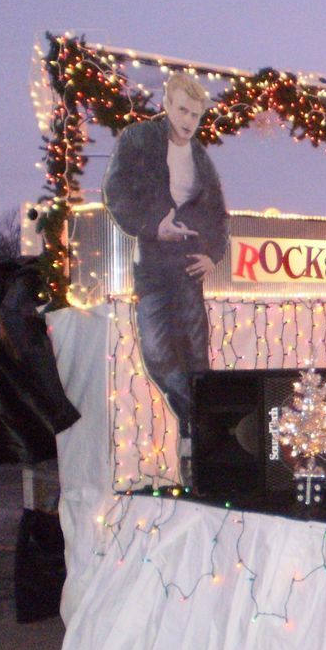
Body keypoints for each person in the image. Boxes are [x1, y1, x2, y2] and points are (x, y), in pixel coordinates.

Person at [102, 72, 228, 444]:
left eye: (196, 115)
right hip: (153, 265)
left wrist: (213, 255)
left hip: (188, 265)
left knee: (194, 355)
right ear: (167, 105)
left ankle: (200, 439)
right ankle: (205, 420)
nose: (189, 121)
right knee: (157, 354)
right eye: (183, 110)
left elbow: (218, 213)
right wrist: (154, 226)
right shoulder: (139, 139)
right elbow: (116, 191)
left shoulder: (201, 157)